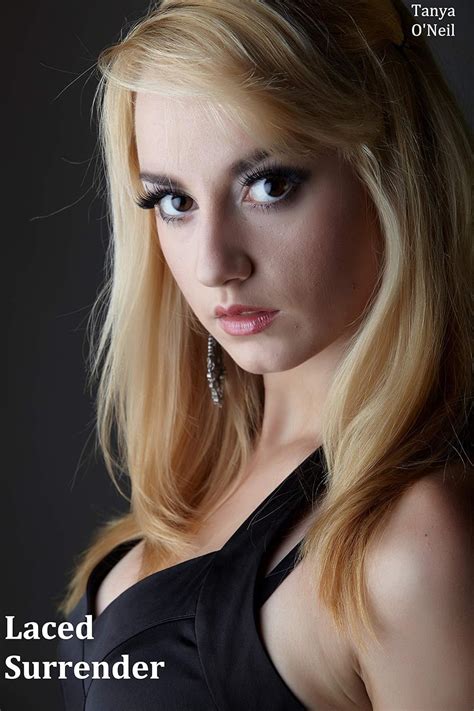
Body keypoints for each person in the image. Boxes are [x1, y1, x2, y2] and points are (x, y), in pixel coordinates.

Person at [57, 0, 473, 708]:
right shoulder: (205, 475)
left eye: (269, 185)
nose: (214, 264)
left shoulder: (414, 545)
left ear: (391, 174)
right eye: (173, 201)